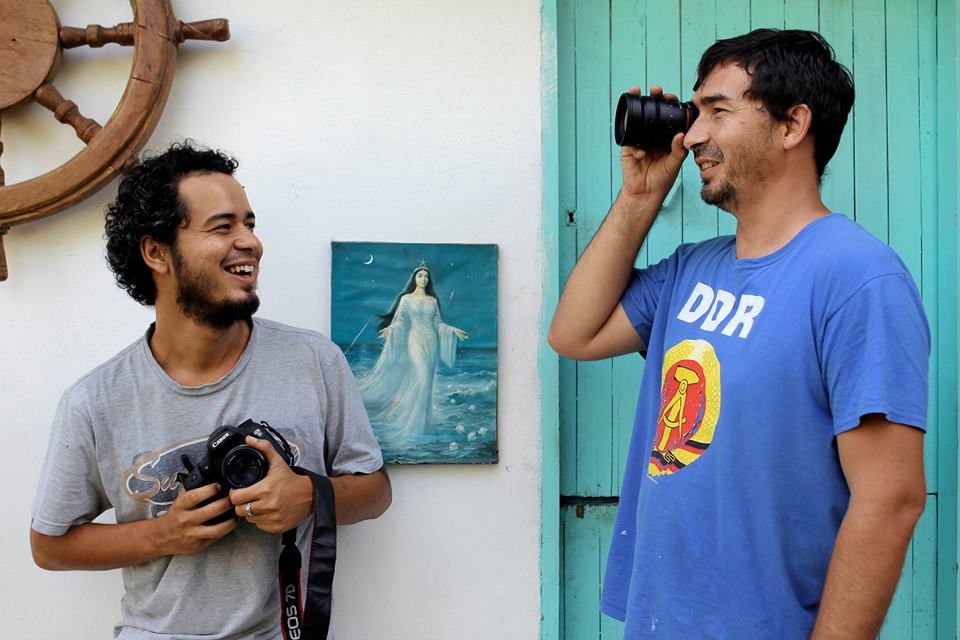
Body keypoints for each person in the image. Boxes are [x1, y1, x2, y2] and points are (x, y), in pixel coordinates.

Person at [548, 29, 929, 639]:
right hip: (659, 622)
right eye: (694, 114)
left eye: (717, 112)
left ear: (791, 125)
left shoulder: (857, 277)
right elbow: (573, 334)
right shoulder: (692, 268)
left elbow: (891, 499)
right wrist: (641, 194)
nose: (693, 135)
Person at [30, 142, 392, 639]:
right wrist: (164, 534)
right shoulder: (96, 400)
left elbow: (374, 492)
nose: (250, 242)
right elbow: (50, 546)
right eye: (223, 227)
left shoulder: (314, 362)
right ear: (157, 252)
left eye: (250, 224)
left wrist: (307, 495)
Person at [358, 265, 468, 435]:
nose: (423, 279)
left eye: (426, 276)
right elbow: (401, 321)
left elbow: (437, 323)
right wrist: (391, 329)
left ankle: (420, 424)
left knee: (427, 383)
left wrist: (451, 330)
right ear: (414, 278)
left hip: (431, 342)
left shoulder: (432, 301)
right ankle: (406, 419)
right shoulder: (406, 299)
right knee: (422, 378)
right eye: (420, 276)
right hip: (414, 341)